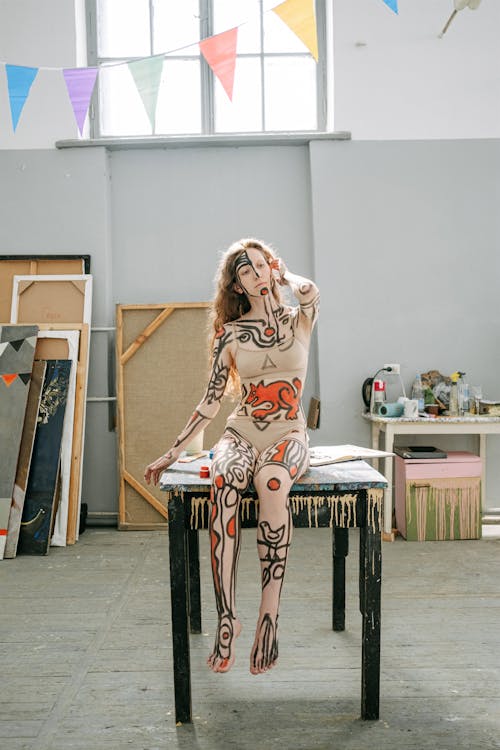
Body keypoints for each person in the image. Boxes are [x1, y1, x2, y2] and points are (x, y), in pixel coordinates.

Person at [144, 238, 319, 675]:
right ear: (236, 285)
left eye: (262, 266)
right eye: (248, 271)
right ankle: (228, 618)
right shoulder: (231, 334)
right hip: (240, 432)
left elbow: (311, 290)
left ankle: (268, 617)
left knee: (272, 481)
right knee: (225, 480)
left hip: (288, 433)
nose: (257, 274)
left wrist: (284, 273)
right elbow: (210, 402)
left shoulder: (299, 320)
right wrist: (172, 452)